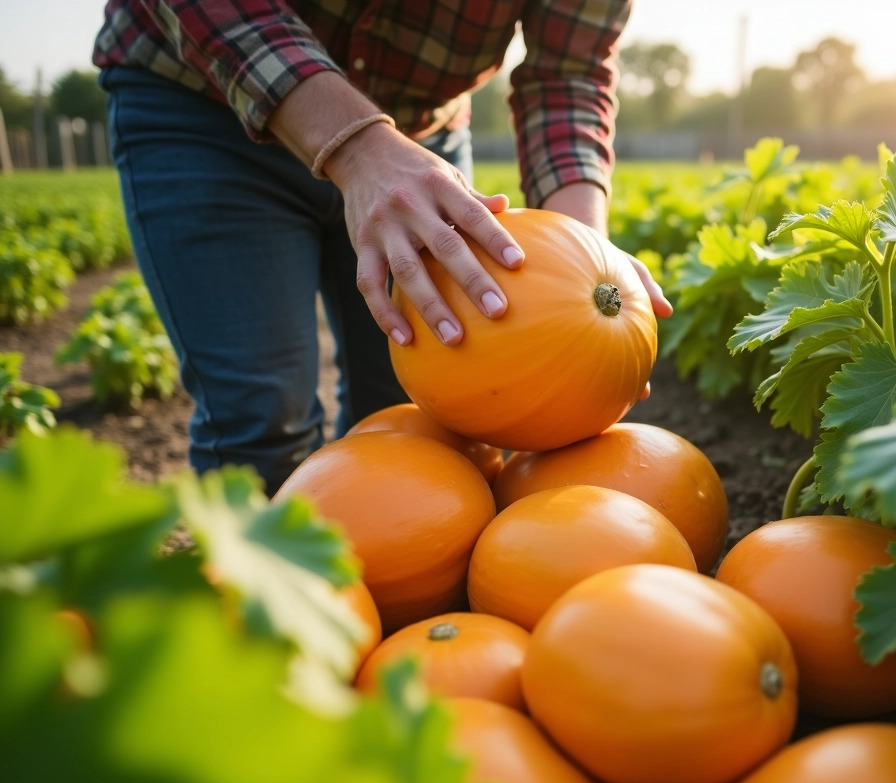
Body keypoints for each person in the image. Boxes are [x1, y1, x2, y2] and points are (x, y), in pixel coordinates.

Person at [92, 0, 671, 494]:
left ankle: (383, 600)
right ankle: (260, 611)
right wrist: (357, 148)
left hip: (423, 142)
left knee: (413, 423)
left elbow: (567, 74)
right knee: (260, 423)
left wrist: (588, 257)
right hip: (206, 107)